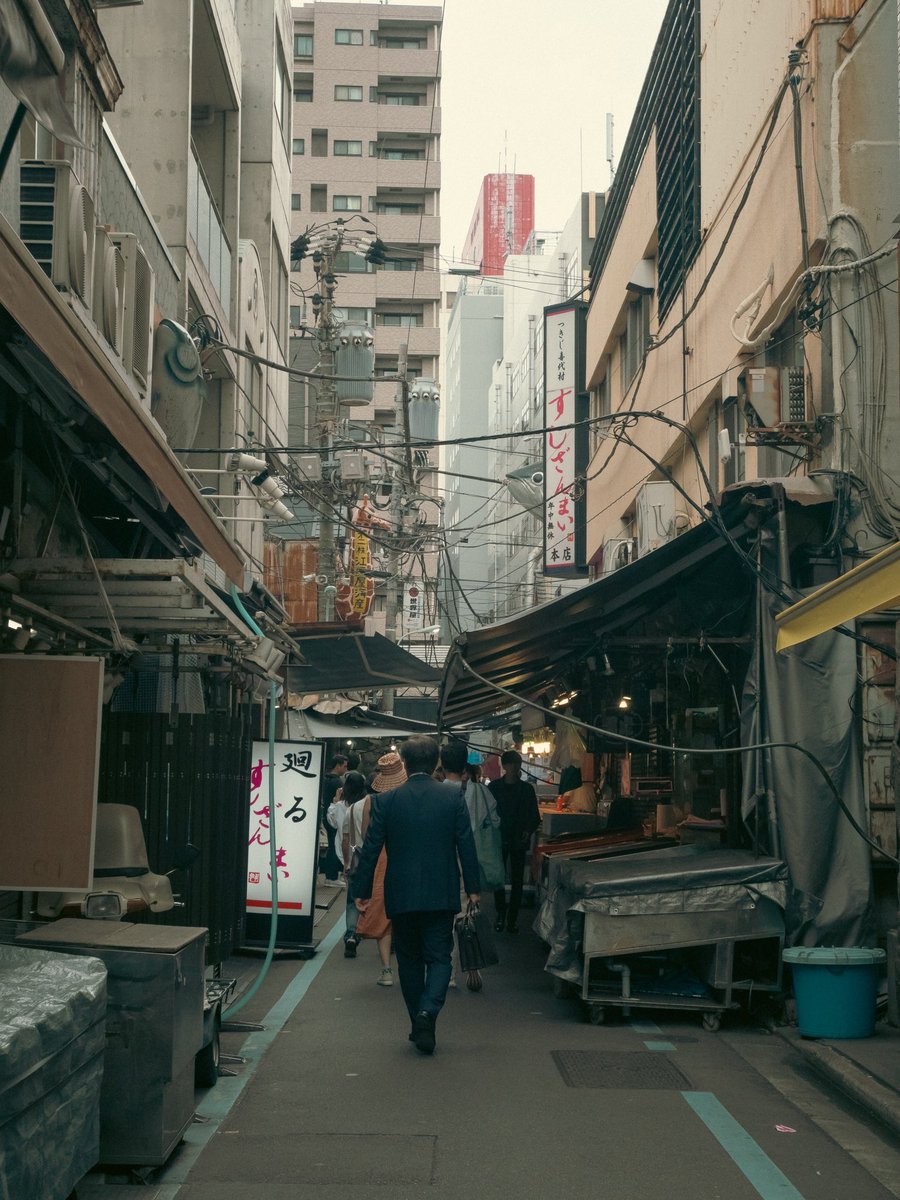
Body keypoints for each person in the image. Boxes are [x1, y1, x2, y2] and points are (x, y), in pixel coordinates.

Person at [354, 735, 481, 1055]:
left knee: (409, 961)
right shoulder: (453, 800)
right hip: (442, 891)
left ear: (406, 765)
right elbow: (466, 845)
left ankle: (418, 1022)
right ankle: (427, 1014)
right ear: (436, 763)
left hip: (402, 892)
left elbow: (370, 849)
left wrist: (362, 891)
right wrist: (475, 889)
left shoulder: (387, 801)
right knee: (439, 957)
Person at [439, 742, 498, 992]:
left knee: (443, 923)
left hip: (441, 863)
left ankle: (448, 974)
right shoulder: (481, 793)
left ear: (442, 766)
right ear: (465, 766)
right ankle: (471, 965)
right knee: (466, 917)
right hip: (468, 862)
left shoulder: (436, 792)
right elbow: (494, 820)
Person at [346, 751, 403, 986]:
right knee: (404, 914)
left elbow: (368, 841)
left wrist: (361, 885)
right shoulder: (407, 797)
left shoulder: (373, 801)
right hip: (405, 856)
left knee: (383, 915)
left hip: (381, 860)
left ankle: (387, 970)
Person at [488, 749, 540, 934]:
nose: (514, 768)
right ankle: (501, 915)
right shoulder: (493, 788)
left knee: (517, 879)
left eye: (516, 764)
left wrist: (527, 830)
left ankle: (512, 919)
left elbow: (534, 815)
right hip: (499, 838)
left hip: (518, 838)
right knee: (498, 879)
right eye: (511, 764)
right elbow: (488, 814)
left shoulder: (527, 789)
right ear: (505, 766)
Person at [321, 753, 348, 883]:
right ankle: (331, 877)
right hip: (333, 815)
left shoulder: (325, 778)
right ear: (338, 766)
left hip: (325, 814)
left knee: (332, 844)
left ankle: (331, 875)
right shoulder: (337, 781)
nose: (345, 769)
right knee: (334, 845)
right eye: (344, 766)